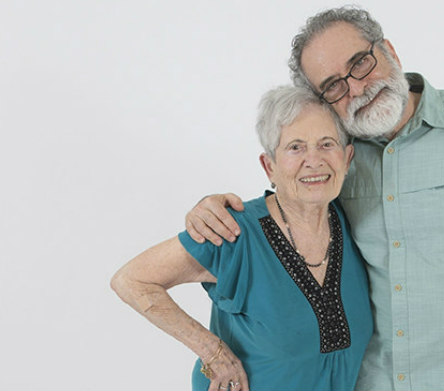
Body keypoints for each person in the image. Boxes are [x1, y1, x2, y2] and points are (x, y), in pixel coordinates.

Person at [186, 6, 444, 391]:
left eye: (360, 63)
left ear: (389, 50)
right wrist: (213, 207)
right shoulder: (337, 155)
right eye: (333, 85)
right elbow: (292, 202)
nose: (356, 87)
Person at [111, 85, 373, 391]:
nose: (313, 160)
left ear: (347, 157)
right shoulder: (232, 231)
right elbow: (131, 280)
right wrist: (214, 352)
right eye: (295, 147)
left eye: (327, 144)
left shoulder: (356, 223)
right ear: (269, 166)